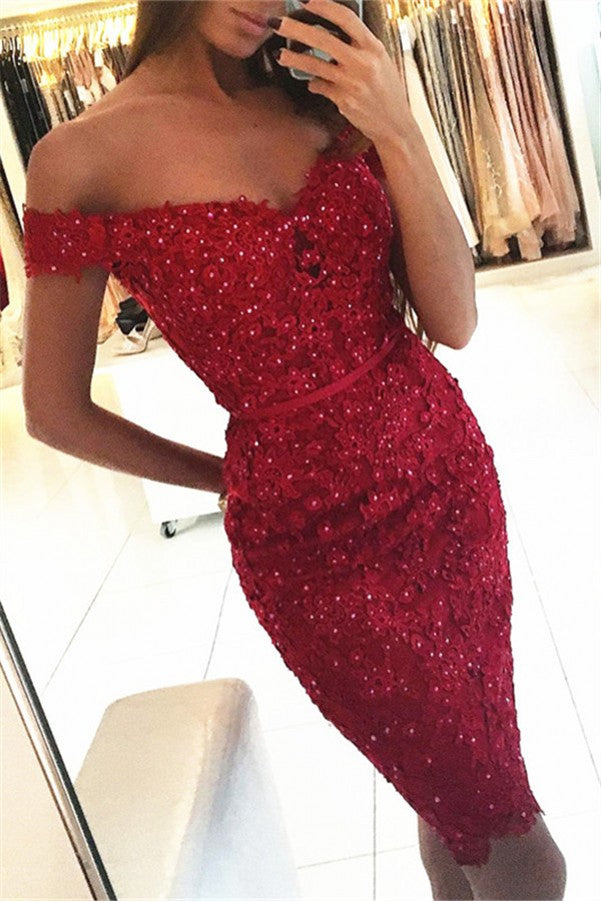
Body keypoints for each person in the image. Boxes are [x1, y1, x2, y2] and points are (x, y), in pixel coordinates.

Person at [21, 1, 566, 897]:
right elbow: (54, 411)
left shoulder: (326, 93)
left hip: (446, 484)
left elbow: (453, 320)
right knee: (518, 845)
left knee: (456, 795)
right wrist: (225, 478)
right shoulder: (79, 159)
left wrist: (395, 123)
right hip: (313, 552)